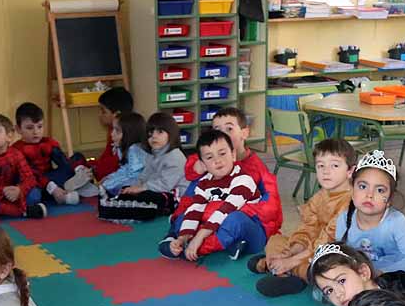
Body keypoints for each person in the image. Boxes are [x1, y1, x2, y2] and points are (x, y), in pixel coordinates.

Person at [248, 138, 357, 297]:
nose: (326, 171)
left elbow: (328, 241)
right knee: (275, 240)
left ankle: (279, 268)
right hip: (310, 250)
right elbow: (307, 228)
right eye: (321, 166)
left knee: (327, 266)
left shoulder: (350, 201)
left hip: (335, 251)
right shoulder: (320, 196)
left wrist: (293, 260)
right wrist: (291, 252)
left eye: (334, 165)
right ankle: (284, 270)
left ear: (350, 171)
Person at [178, 107, 282, 258]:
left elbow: (270, 208)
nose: (222, 134)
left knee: (233, 220)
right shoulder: (213, 162)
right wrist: (198, 168)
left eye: (229, 129)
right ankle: (179, 239)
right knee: (188, 208)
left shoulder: (253, 170)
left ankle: (196, 246)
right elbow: (192, 176)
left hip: (245, 221)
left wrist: (213, 213)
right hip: (213, 218)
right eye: (217, 129)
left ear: (244, 133)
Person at [158, 130, 260, 262]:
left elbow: (226, 209)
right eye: (209, 157)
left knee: (234, 219)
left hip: (250, 230)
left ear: (233, 154)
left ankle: (195, 249)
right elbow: (195, 209)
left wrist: (199, 237)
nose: (218, 161)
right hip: (216, 224)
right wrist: (183, 237)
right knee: (186, 215)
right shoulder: (204, 182)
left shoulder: (244, 179)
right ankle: (182, 243)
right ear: (203, 164)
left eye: (222, 154)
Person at [332, 149, 405, 274]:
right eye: (363, 187)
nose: (369, 195)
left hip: (398, 275)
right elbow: (341, 255)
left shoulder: (396, 221)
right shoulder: (344, 219)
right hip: (363, 275)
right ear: (352, 191)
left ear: (390, 199)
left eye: (380, 190)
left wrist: (382, 272)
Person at [98, 112, 188, 222]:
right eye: (150, 133)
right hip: (156, 189)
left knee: (150, 197)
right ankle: (116, 206)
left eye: (160, 132)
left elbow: (165, 184)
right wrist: (134, 187)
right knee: (128, 192)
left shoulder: (175, 156)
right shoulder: (154, 154)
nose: (154, 136)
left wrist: (142, 188)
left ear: (171, 134)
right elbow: (144, 176)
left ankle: (126, 210)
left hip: (175, 197)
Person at [0, 112, 46, 219]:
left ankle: (1, 210)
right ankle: (23, 212)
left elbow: (30, 178)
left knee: (35, 194)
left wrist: (19, 190)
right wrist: (2, 190)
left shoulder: (16, 154)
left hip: (15, 194)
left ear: (9, 136)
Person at [13, 102, 85, 206]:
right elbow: (29, 175)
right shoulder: (16, 150)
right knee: (30, 189)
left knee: (78, 158)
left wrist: (75, 169)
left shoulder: (49, 142)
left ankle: (77, 182)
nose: (36, 132)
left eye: (40, 126)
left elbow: (64, 164)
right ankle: (63, 192)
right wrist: (52, 187)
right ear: (18, 129)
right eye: (30, 128)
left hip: (52, 178)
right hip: (35, 183)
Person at [96, 111, 148, 199]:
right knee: (108, 183)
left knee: (115, 186)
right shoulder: (123, 148)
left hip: (141, 180)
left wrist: (112, 182)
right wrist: (110, 177)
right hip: (133, 177)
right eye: (113, 129)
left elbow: (135, 175)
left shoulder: (134, 149)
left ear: (130, 133)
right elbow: (125, 168)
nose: (112, 134)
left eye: (117, 130)